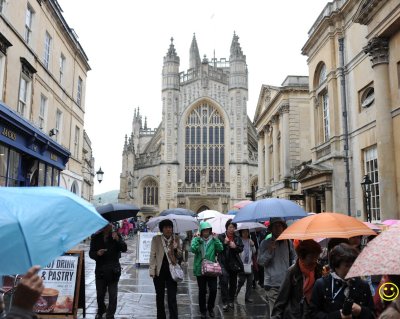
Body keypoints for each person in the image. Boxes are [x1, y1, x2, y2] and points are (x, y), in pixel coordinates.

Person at [309, 243, 375, 318]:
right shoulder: (322, 284)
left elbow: (373, 314)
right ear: (336, 265)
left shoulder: (362, 285)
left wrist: (361, 310)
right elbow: (313, 314)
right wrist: (337, 316)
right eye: (347, 265)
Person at [271, 240, 323, 319]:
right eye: (311, 257)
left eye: (316, 257)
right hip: (295, 315)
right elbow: (281, 299)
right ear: (302, 256)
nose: (314, 260)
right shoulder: (292, 272)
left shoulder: (318, 269)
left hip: (313, 314)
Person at [258, 217, 296, 315]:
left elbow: (294, 259)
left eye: (280, 226)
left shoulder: (288, 242)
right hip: (272, 285)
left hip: (286, 284)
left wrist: (292, 270)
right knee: (275, 313)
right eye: (275, 226)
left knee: (286, 312)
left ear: (283, 227)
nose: (278, 228)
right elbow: (261, 262)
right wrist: (269, 251)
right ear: (270, 229)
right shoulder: (265, 243)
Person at [89, 223, 127, 319]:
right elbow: (91, 253)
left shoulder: (116, 235)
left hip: (113, 270)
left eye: (110, 224)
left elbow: (124, 248)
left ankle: (110, 315)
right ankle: (101, 310)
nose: (109, 226)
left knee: (113, 295)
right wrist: (97, 253)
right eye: (106, 224)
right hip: (100, 270)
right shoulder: (95, 237)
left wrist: (118, 240)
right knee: (100, 295)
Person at [149, 219, 182, 319]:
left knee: (172, 297)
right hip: (159, 271)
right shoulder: (156, 239)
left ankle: (173, 316)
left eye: (170, 227)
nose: (168, 229)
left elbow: (180, 256)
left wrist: (176, 248)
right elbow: (152, 255)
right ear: (162, 229)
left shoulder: (176, 239)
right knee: (160, 296)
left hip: (172, 272)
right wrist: (152, 270)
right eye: (166, 227)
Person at [191, 221, 223, 319]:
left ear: (210, 231)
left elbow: (220, 249)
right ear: (201, 231)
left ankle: (210, 308)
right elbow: (193, 249)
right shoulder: (197, 239)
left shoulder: (213, 240)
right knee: (202, 290)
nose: (206, 232)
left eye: (207, 231)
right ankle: (203, 311)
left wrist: (216, 239)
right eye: (204, 231)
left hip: (211, 268)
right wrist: (196, 240)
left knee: (213, 290)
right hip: (200, 269)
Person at [218, 219, 244, 312]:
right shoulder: (221, 236)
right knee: (224, 281)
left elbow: (241, 248)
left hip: (234, 263)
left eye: (233, 227)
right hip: (223, 263)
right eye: (230, 227)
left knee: (233, 283)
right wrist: (224, 244)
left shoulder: (237, 237)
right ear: (227, 227)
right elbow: (218, 249)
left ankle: (231, 300)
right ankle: (225, 302)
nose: (231, 229)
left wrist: (235, 247)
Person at [236, 228, 256, 303]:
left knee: (250, 281)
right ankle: (236, 292)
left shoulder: (250, 241)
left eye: (246, 232)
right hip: (241, 264)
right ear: (241, 233)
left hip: (249, 264)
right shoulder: (239, 240)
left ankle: (247, 297)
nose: (245, 233)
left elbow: (254, 252)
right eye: (243, 232)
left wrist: (253, 245)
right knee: (241, 280)